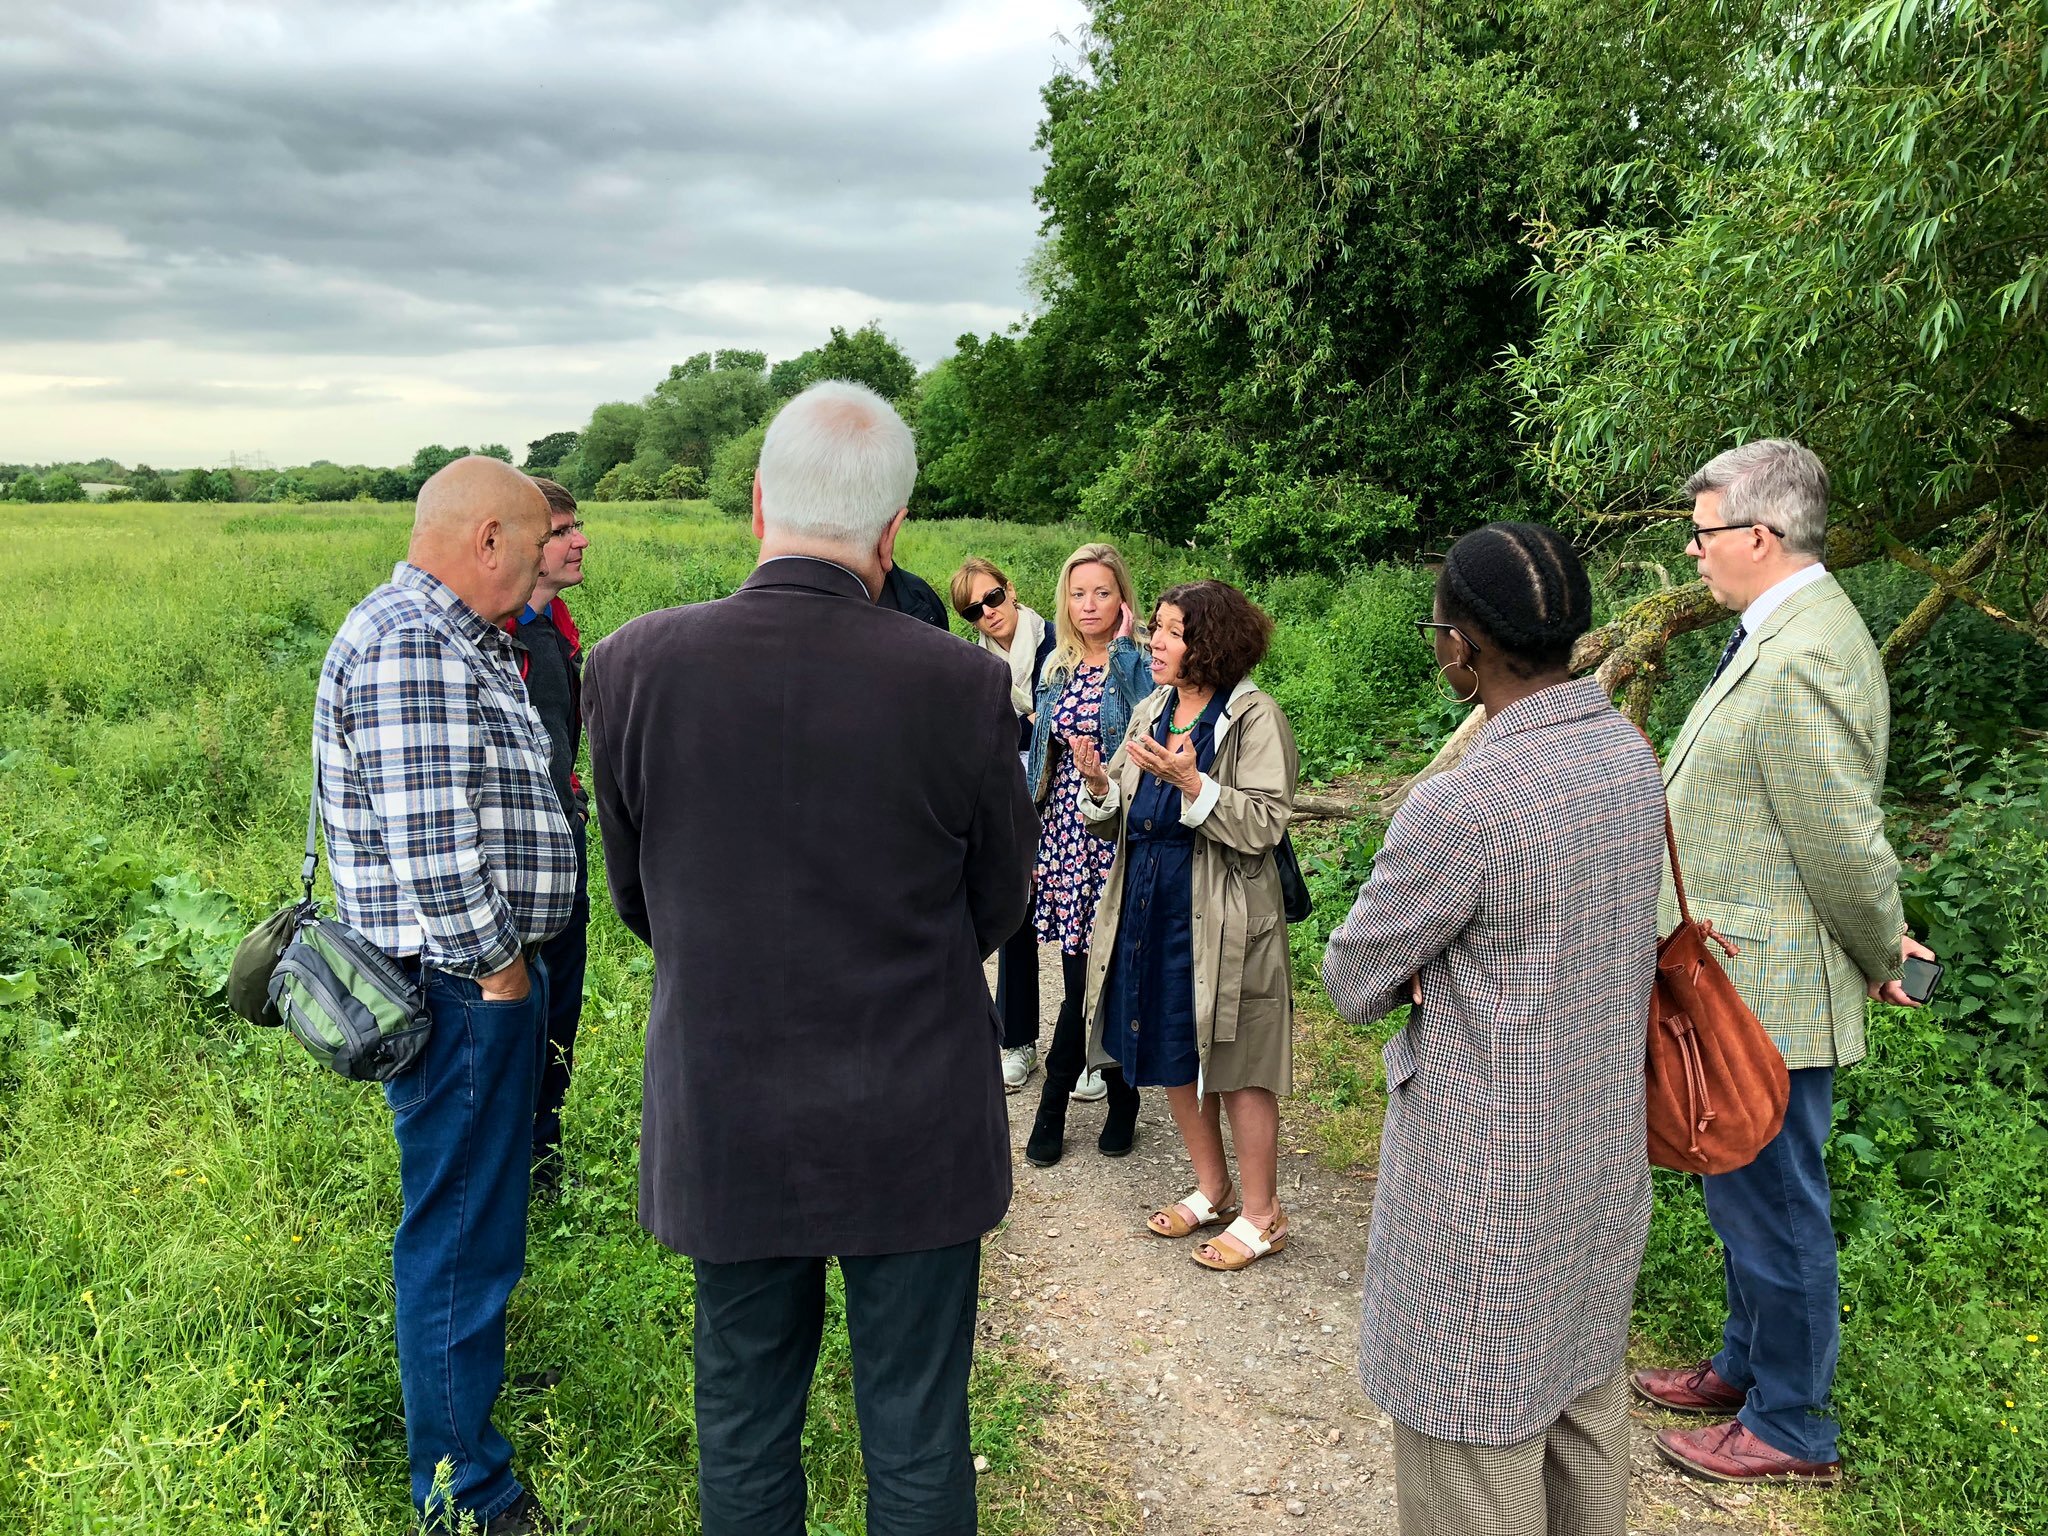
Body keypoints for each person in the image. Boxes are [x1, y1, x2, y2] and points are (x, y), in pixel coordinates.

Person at [581, 380, 1037, 1536]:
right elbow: (996, 900)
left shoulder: (631, 667)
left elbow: (641, 898)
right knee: (917, 1429)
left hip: (726, 1105)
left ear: (757, 504)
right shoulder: (962, 683)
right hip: (915, 1107)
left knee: (742, 1417)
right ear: (893, 530)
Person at [1322, 523, 1665, 1536]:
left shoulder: (1463, 805)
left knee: (1469, 1432)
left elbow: (1351, 979)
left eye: (1438, 630)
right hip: (1599, 1155)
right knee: (1583, 1401)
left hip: (1483, 1180)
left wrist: (1429, 969)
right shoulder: (1627, 754)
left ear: (1460, 649)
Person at [1634, 439, 1932, 1487]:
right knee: (1739, 1189)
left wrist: (1878, 946)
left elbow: (1841, 839)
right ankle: (1742, 1366)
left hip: (1769, 987)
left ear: (1757, 536)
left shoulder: (1805, 652)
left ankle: (1793, 1425)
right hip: (1735, 979)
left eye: (1702, 532)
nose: (1693, 550)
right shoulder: (1781, 629)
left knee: (1774, 1201)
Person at [311, 456, 578, 1535]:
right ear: (487, 540)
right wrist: (500, 971)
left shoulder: (445, 635)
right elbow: (433, 844)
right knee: (461, 1236)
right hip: (461, 987)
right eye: (534, 542)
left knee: (472, 1223)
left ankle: (461, 1426)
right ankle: (466, 1491)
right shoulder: (415, 643)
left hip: (469, 981)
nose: (542, 562)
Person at [1071, 581, 1299, 1269]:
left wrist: (1194, 785)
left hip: (1226, 912)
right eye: (1158, 629)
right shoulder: (1153, 708)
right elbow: (1120, 813)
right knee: (1170, 1042)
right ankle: (1213, 1188)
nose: (1157, 642)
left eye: (1173, 631)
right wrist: (1099, 787)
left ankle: (1262, 1215)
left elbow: (1265, 823)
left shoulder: (1254, 717)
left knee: (1238, 1060)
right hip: (1152, 902)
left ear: (1212, 644)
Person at [1022, 541, 1153, 1164]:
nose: (1089, 604)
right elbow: (1040, 764)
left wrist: (1126, 651)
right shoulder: (1057, 666)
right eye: (1078, 594)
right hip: (1065, 839)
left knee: (1108, 976)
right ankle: (1116, 1095)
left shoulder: (1142, 663)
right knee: (1081, 976)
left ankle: (1067, 1101)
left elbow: (1149, 724)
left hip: (1117, 837)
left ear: (1122, 598)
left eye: (1102, 592)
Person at [512, 476, 592, 1198]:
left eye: (575, 527)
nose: (579, 541)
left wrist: (572, 792)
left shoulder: (554, 628)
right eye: (562, 532)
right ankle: (515, 1153)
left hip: (564, 843)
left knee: (561, 1004)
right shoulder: (498, 637)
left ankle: (543, 1148)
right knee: (520, 1009)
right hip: (519, 865)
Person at [952, 555, 1057, 1092]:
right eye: (973, 610)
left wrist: (1030, 723)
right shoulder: (972, 664)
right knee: (1018, 914)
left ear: (1009, 589)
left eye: (992, 597)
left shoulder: (1057, 641)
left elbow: (1071, 724)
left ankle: (1088, 1046)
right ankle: (1017, 1040)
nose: (988, 612)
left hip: (1066, 792)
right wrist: (1033, 720)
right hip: (1008, 797)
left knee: (1083, 921)